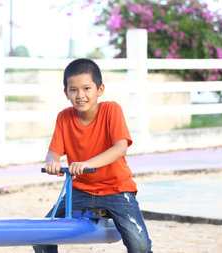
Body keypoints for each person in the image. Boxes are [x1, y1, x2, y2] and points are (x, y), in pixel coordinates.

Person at [33, 58, 152, 253]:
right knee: (41, 237)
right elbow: (53, 152)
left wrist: (86, 163)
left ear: (100, 89)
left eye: (87, 88)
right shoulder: (64, 117)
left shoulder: (111, 110)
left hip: (116, 189)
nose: (80, 95)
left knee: (140, 245)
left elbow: (120, 147)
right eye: (74, 90)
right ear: (66, 93)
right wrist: (52, 162)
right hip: (80, 191)